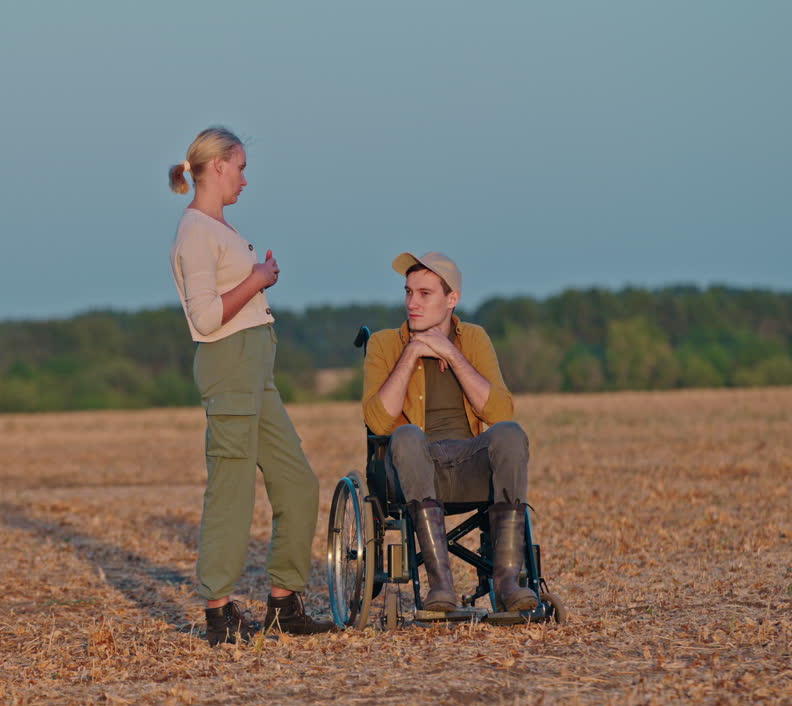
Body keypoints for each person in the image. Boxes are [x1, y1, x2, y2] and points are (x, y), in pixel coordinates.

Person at [168, 127, 335, 645]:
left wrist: (258, 275)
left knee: (298, 483)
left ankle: (284, 605)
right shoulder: (196, 231)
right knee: (232, 491)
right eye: (239, 167)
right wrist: (259, 278)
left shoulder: (219, 228)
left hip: (256, 372)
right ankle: (219, 614)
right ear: (217, 165)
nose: (244, 177)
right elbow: (207, 316)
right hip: (230, 365)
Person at [361, 251, 538, 613]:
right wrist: (411, 353)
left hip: (469, 463)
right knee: (406, 434)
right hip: (414, 469)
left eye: (425, 294)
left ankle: (507, 582)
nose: (412, 302)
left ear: (451, 300)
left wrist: (452, 354)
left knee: (509, 432)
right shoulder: (384, 344)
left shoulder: (473, 337)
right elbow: (378, 423)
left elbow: (500, 410)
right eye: (408, 292)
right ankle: (440, 587)